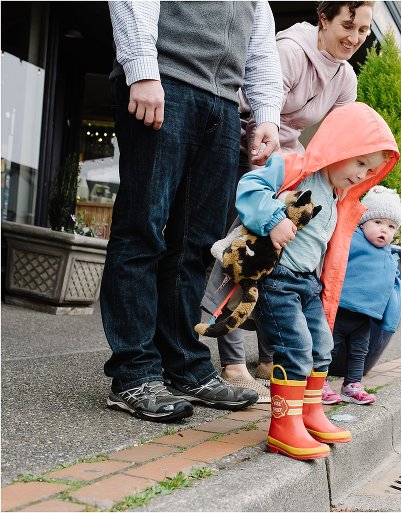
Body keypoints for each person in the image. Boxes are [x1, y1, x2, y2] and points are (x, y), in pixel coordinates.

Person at [102, 2, 282, 423]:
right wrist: (143, 69)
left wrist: (267, 113)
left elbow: (260, 47)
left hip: (222, 104)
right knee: (141, 231)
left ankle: (184, 365)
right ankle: (134, 374)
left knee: (198, 246)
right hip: (165, 83)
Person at [203, 102, 399, 460]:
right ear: (340, 146)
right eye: (359, 162)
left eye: (370, 169)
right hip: (277, 280)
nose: (361, 174)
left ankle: (309, 414)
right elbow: (250, 186)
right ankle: (283, 427)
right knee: (294, 348)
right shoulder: (295, 166)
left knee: (322, 347)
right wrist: (273, 218)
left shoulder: (342, 198)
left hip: (308, 284)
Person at [217, 1, 375, 391]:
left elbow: (336, 140)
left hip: (288, 159)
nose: (354, 38)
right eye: (348, 25)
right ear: (324, 18)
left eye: (363, 31)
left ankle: (271, 356)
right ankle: (233, 360)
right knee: (245, 249)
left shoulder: (346, 79)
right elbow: (258, 111)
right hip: (243, 142)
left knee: (286, 261)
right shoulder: (290, 51)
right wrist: (265, 196)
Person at [323, 186, 401, 406]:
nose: (384, 230)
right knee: (328, 348)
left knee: (360, 352)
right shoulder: (351, 239)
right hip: (341, 309)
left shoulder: (389, 253)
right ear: (363, 221)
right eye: (378, 223)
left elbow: (394, 279)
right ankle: (320, 383)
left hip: (365, 316)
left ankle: (352, 385)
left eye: (391, 226)